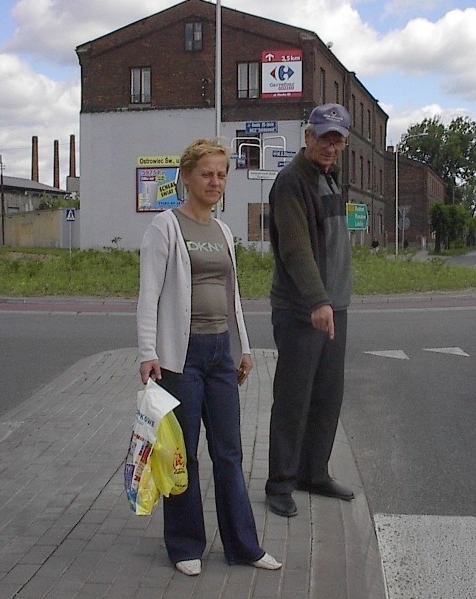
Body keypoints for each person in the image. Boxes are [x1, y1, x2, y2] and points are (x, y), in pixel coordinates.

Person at [137, 138, 281, 575]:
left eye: (221, 174)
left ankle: (244, 546)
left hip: (221, 352)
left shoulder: (223, 231)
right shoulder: (165, 226)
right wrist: (148, 352)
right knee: (185, 455)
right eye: (206, 173)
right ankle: (185, 545)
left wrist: (244, 347)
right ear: (186, 177)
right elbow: (149, 295)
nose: (215, 181)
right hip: (181, 356)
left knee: (230, 452)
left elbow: (231, 294)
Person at [265, 103, 355, 518]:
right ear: (307, 136)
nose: (330, 146)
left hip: (334, 307)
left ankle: (313, 473)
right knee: (293, 397)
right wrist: (318, 300)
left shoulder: (329, 180)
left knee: (327, 396)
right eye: (323, 137)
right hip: (303, 309)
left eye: (337, 140)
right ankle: (280, 483)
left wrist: (334, 300)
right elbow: (296, 247)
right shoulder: (291, 182)